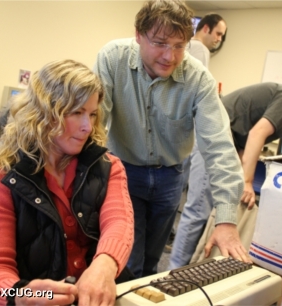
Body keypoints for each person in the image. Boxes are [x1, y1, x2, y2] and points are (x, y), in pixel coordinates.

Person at [93, 0, 250, 278]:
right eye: (161, 43)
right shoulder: (112, 58)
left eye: (179, 46)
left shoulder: (198, 79)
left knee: (153, 263)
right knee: (129, 262)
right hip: (123, 172)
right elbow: (95, 122)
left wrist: (226, 220)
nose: (170, 56)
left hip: (170, 177)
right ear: (138, 35)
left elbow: (220, 146)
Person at [0, 59, 134, 305]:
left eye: (92, 114)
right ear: (44, 114)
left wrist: (104, 265)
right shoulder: (2, 177)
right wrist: (18, 295)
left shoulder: (109, 167)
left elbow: (119, 224)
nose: (87, 127)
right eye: (76, 113)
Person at [169, 82, 282, 268]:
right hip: (211, 137)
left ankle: (186, 266)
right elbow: (257, 133)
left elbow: (244, 141)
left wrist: (239, 180)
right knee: (198, 210)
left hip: (224, 143)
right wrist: (247, 181)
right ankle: (173, 272)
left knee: (206, 209)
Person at [165, 13, 227, 253]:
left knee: (175, 190)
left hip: (174, 134)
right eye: (218, 34)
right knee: (191, 201)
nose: (219, 40)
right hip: (190, 134)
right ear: (206, 28)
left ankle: (168, 236)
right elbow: (200, 95)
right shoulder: (200, 49)